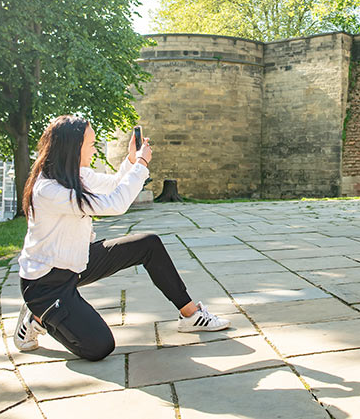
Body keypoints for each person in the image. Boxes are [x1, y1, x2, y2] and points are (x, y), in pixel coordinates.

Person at [13, 115, 229, 361]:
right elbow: (115, 204)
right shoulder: (49, 190)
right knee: (99, 347)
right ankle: (38, 316)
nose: (94, 149)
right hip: (46, 284)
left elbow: (115, 185)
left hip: (76, 261)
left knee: (148, 244)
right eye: (91, 144)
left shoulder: (75, 175)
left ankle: (191, 315)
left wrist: (130, 160)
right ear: (73, 147)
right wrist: (142, 164)